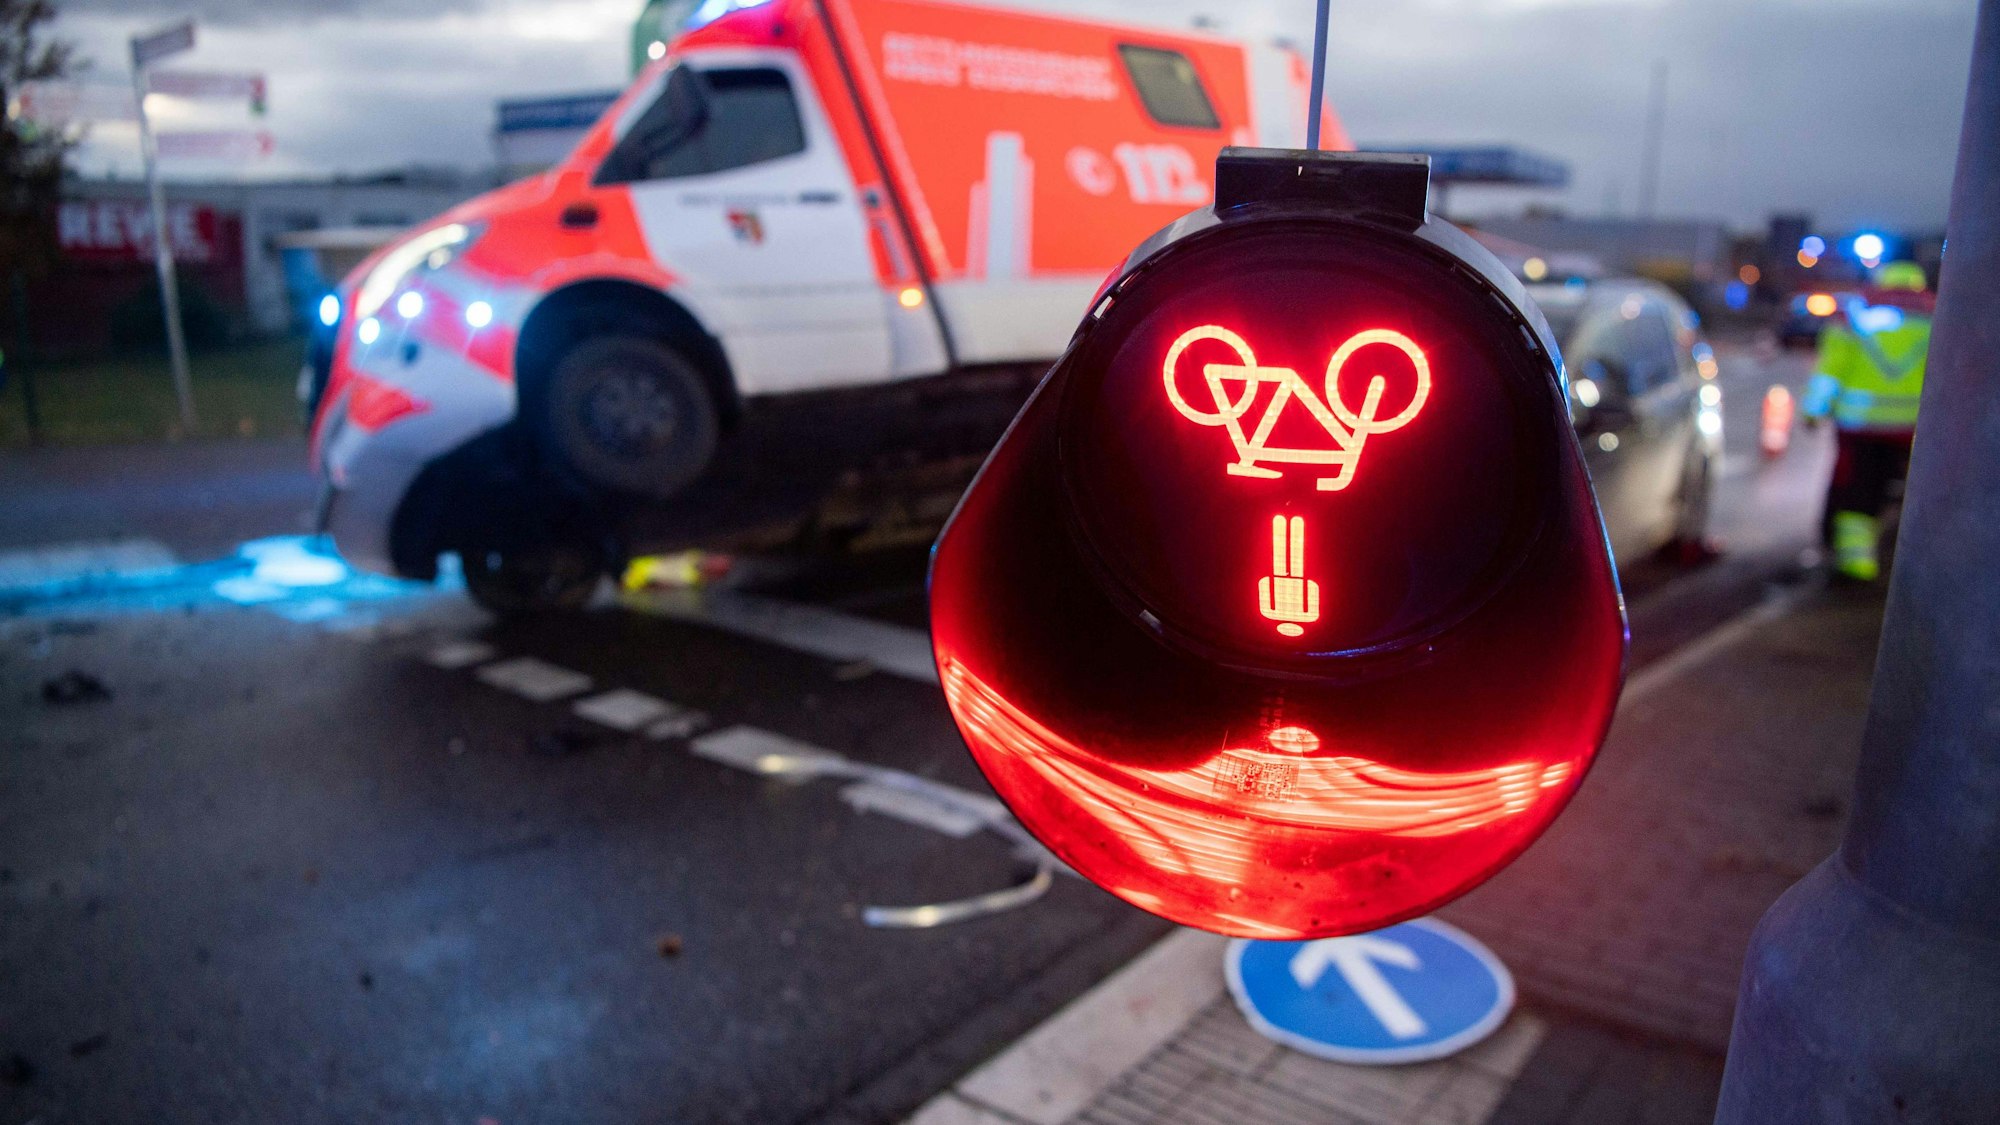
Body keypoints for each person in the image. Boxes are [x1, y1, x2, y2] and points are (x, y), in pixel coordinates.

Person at [1799, 260, 1934, 581]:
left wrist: (1815, 410)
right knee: (1893, 489)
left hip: (1859, 424)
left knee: (1855, 488)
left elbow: (1832, 369)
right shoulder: (1936, 316)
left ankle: (1854, 561)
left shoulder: (1855, 315)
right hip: (1909, 426)